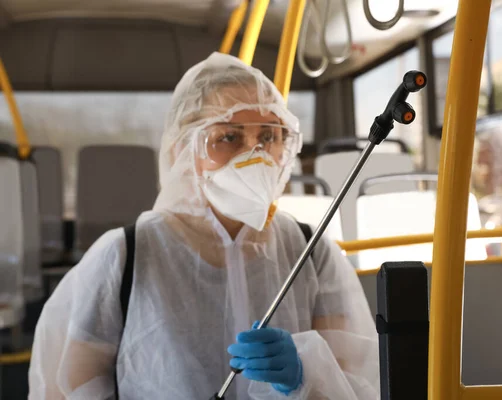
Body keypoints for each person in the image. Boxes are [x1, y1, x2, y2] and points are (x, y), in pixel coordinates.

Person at [28, 52, 379, 399]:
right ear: (184, 148)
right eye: (229, 137)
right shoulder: (125, 256)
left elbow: (357, 384)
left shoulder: (311, 250)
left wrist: (306, 377)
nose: (254, 154)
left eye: (269, 136)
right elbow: (66, 389)